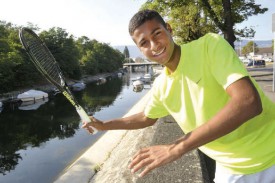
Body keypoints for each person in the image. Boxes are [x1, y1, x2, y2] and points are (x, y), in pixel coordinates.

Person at [82, 9, 275, 182]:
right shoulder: (162, 86)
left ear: (169, 29)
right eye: (144, 43)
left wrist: (176, 148)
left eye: (157, 33)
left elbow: (248, 102)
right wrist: (104, 125)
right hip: (229, 166)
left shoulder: (209, 45)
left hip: (269, 156)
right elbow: (145, 118)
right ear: (140, 50)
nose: (154, 45)